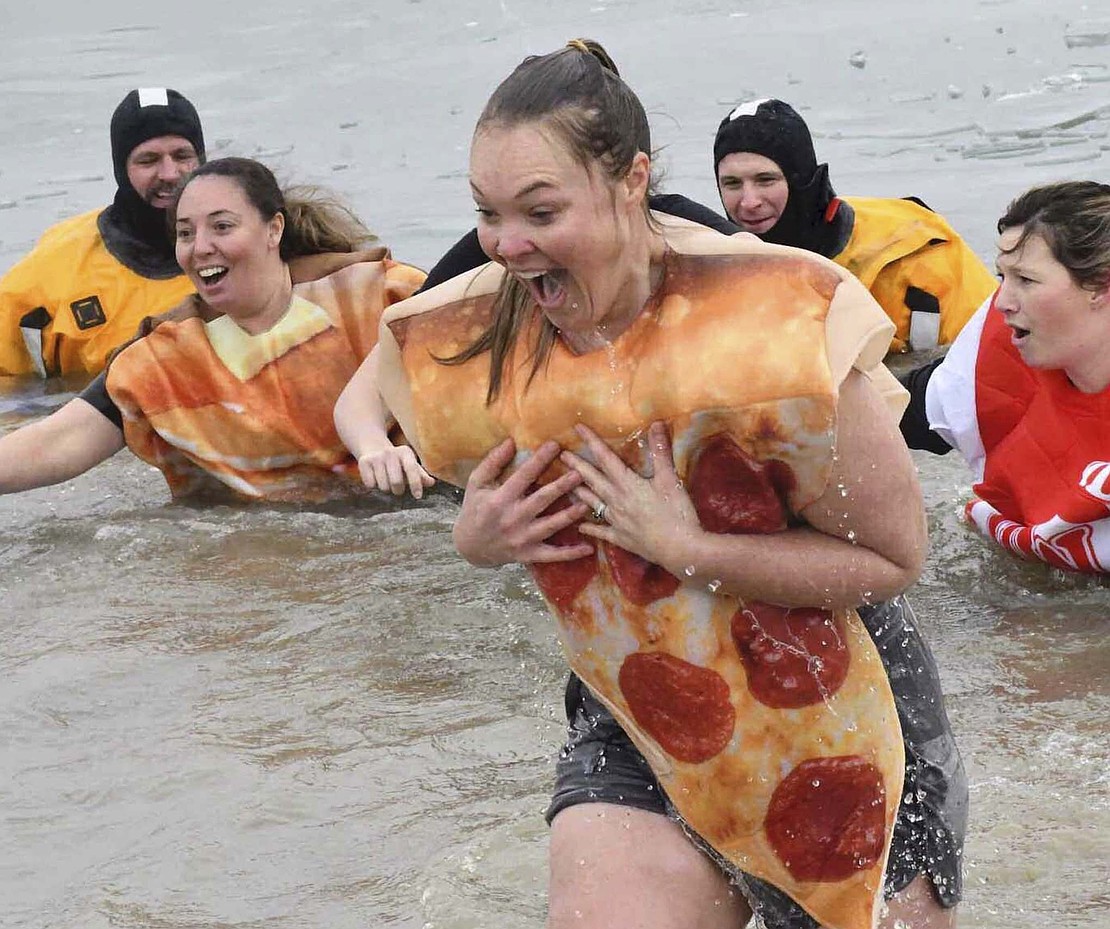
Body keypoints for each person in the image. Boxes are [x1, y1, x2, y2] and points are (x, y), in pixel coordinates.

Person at [338, 40, 966, 929]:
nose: (507, 244)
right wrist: (476, 537)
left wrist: (693, 549)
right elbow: (376, 388)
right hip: (641, 701)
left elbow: (897, 557)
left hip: (836, 705)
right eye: (487, 212)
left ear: (632, 180)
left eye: (540, 211)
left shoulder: (772, 323)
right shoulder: (487, 330)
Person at [0, 156, 425, 503]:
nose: (201, 247)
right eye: (186, 233)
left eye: (222, 227)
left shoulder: (379, 294)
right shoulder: (164, 356)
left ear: (273, 229)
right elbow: (60, 439)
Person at [900, 179, 1110, 573]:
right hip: (1036, 572)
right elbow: (868, 417)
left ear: (1100, 286)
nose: (1004, 302)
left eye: (1026, 281)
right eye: (1002, 277)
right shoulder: (995, 351)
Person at [713, 98, 997, 354]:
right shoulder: (706, 271)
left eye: (766, 180)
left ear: (802, 182)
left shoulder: (918, 256)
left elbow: (995, 358)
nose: (749, 202)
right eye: (732, 184)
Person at [1, 88, 209, 377]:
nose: (170, 173)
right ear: (121, 169)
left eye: (182, 155)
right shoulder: (55, 266)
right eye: (148, 160)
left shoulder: (245, 250)